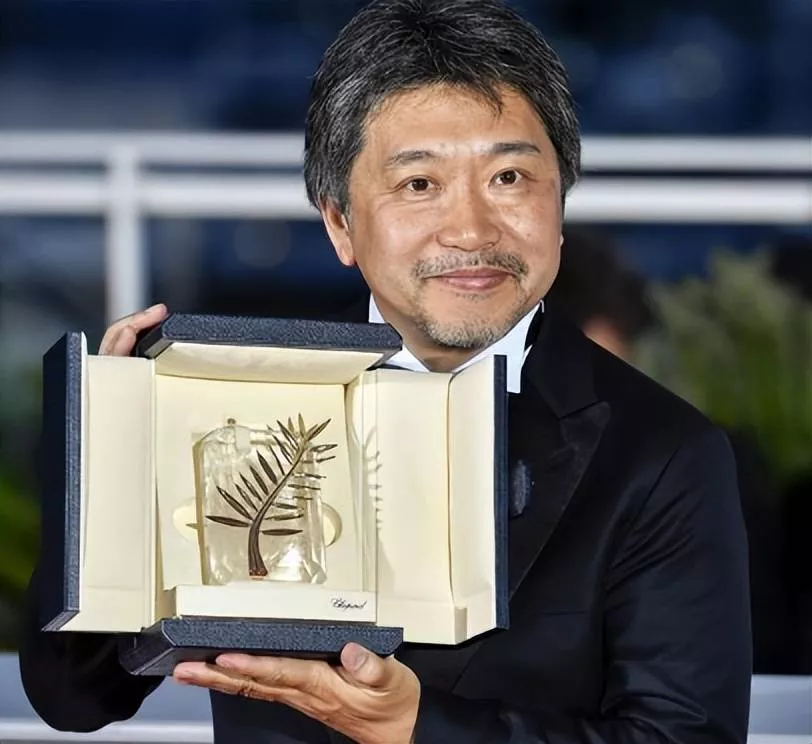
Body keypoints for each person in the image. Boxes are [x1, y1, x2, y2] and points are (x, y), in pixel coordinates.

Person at [19, 1, 752, 743]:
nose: (471, 230)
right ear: (340, 222)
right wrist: (108, 456)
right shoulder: (232, 393)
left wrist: (415, 726)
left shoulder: (661, 453)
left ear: (559, 201)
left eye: (509, 177)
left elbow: (683, 737)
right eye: (419, 184)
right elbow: (75, 699)